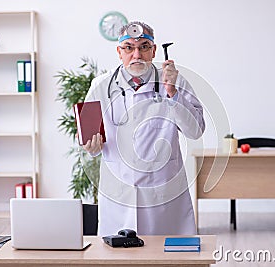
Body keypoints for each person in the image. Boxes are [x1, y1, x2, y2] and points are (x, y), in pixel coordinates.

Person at [83, 21, 205, 236]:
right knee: (117, 258)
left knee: (166, 257)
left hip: (163, 193)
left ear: (154, 50)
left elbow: (195, 131)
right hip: (119, 194)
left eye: (144, 47)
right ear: (119, 52)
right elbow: (88, 142)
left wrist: (172, 93)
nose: (136, 54)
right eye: (129, 47)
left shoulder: (175, 81)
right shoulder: (100, 86)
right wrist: (91, 146)